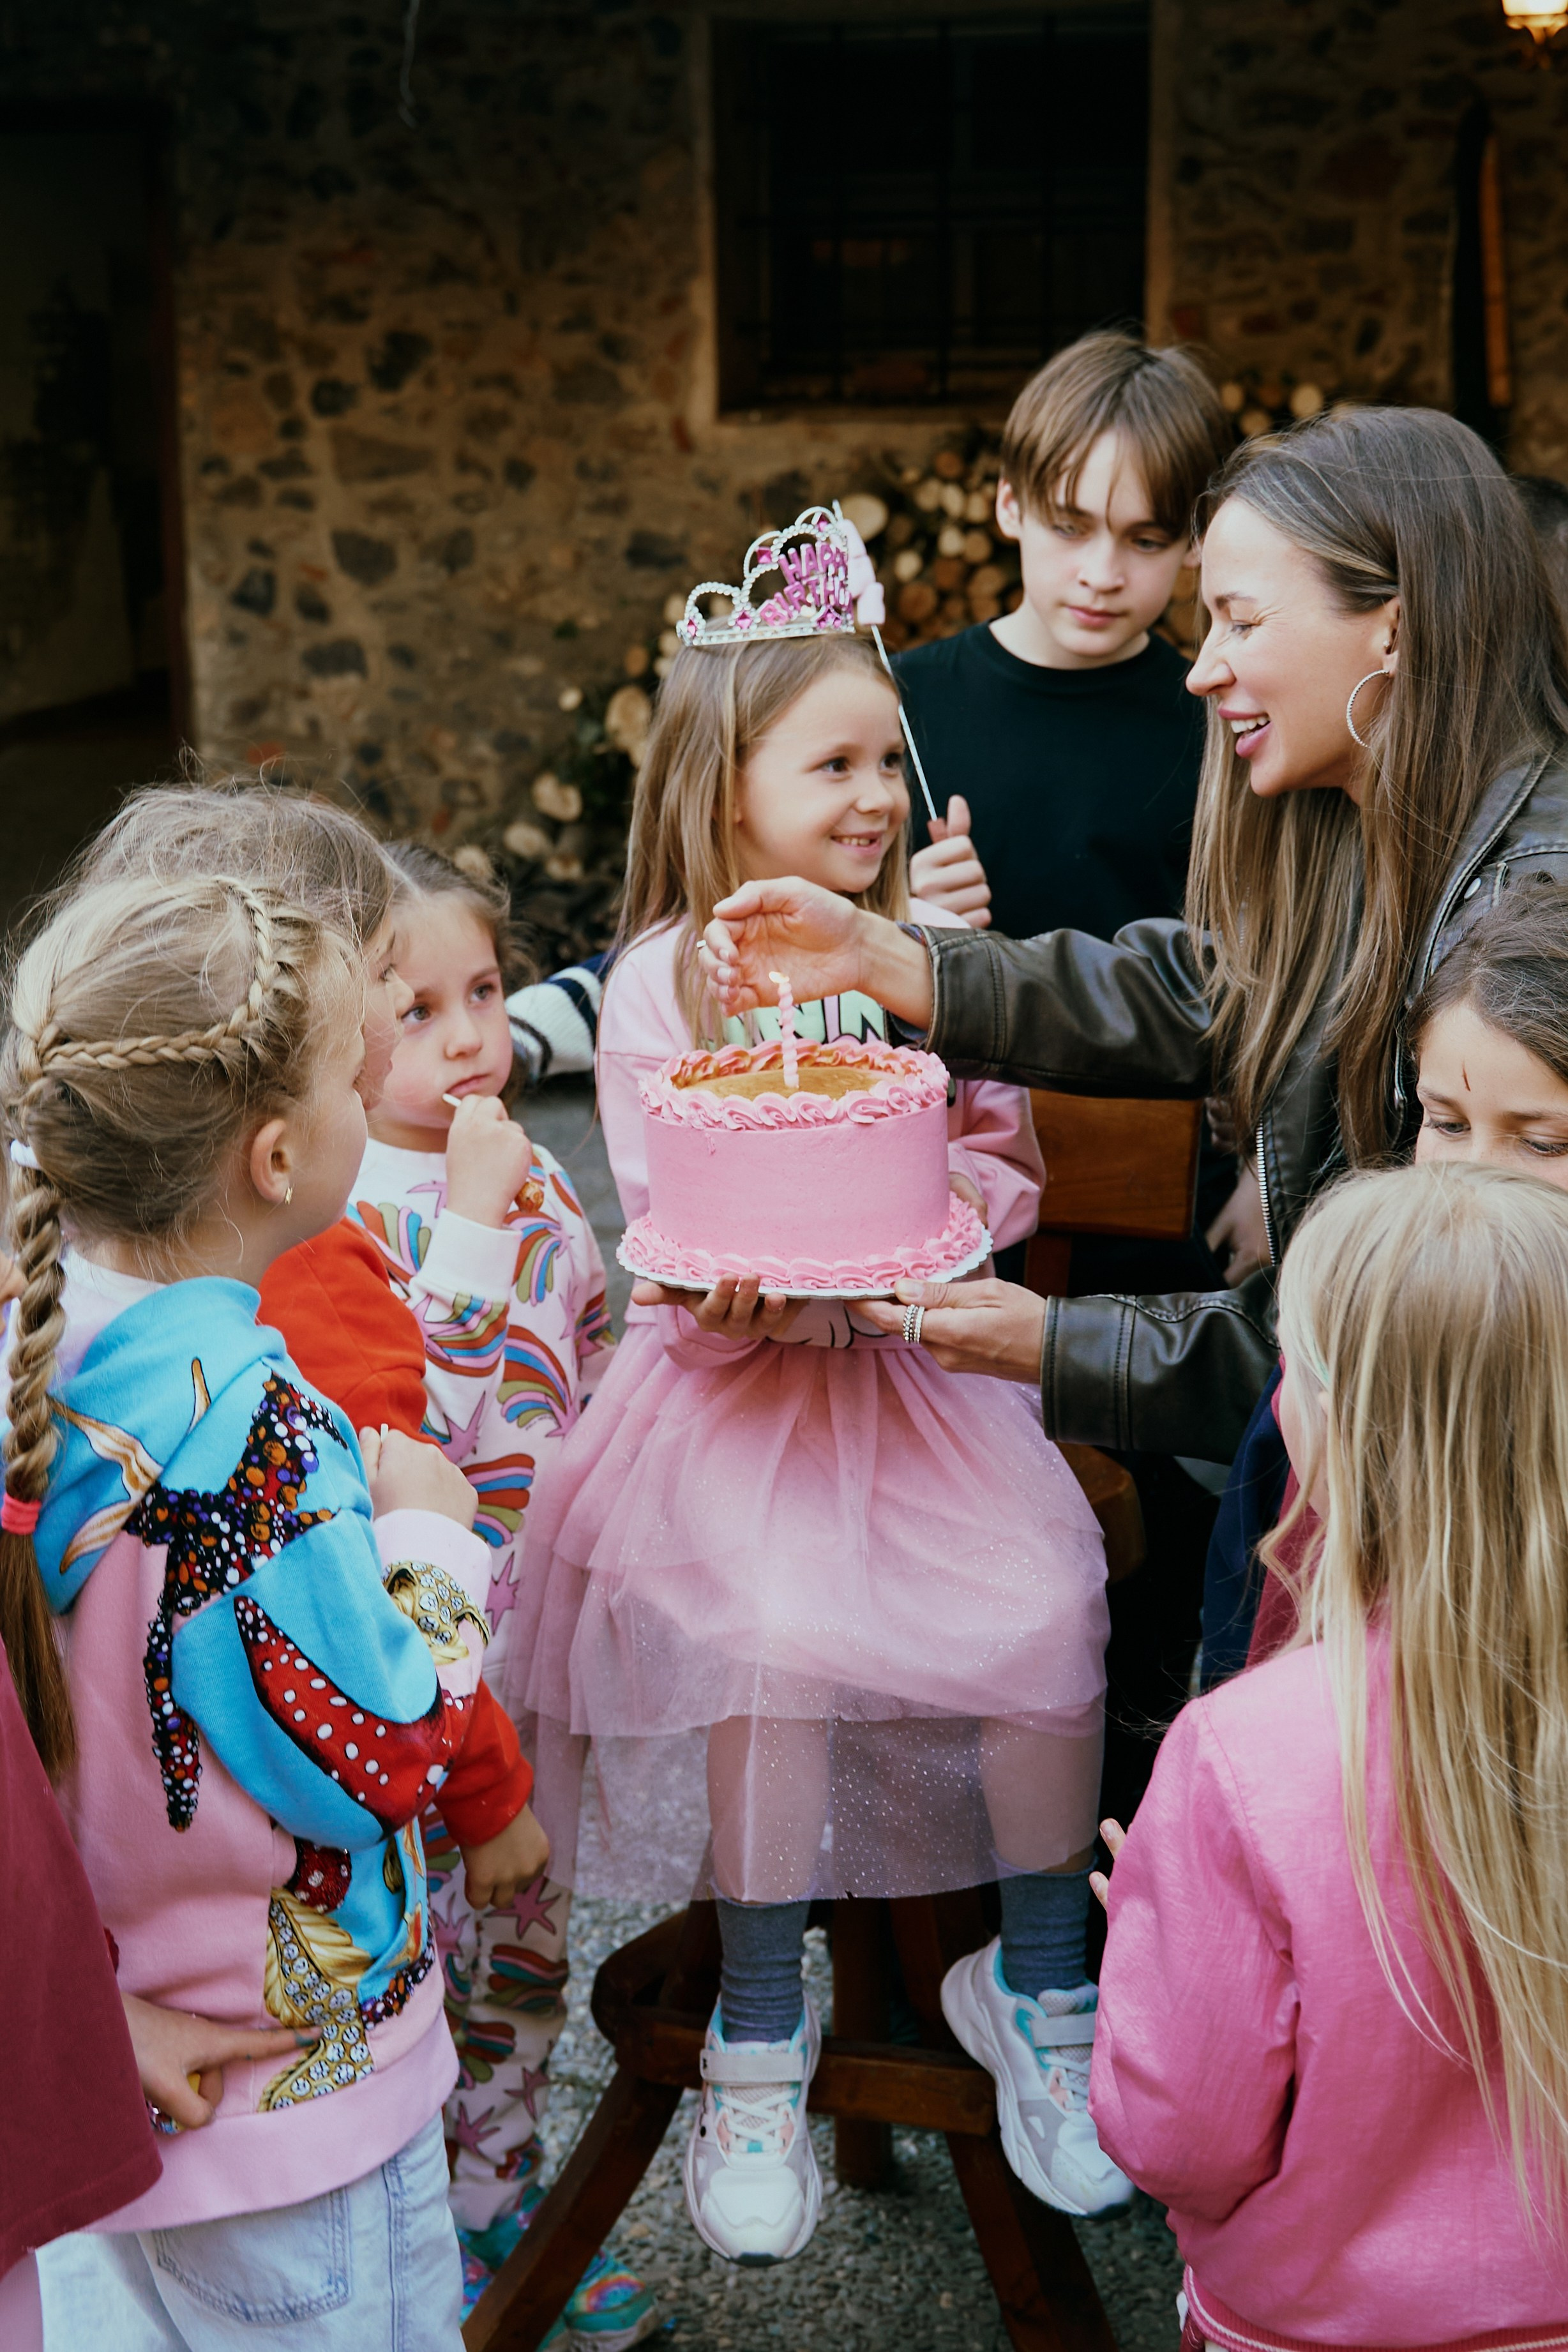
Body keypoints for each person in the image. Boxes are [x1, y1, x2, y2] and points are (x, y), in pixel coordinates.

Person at [522, 539, 1126, 2257]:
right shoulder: (664, 985)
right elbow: (667, 1198)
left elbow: (998, 1154)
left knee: (1048, 1591)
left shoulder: (934, 959)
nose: (876, 795)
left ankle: (1043, 1988)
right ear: (732, 787)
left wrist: (958, 1209)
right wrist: (730, 1283)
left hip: (920, 1378)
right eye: (834, 763)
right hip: (724, 1391)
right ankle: (759, 2030)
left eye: (887, 758)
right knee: (766, 1632)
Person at [698, 405, 1568, 1468]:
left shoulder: (1532, 911)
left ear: (1392, 625)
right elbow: (1210, 990)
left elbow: (1415, 1356)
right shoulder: (1365, 823)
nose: (1201, 671)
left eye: (1242, 621)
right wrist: (886, 954)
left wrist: (1054, 1342)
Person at [3, 868, 545, 2349]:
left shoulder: (26, 1362)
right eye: (350, 1067)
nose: (381, 1081)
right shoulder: (260, 1437)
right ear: (278, 1153)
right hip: (297, 2092)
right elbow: (373, 1742)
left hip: (110, 2060)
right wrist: (435, 1542)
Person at [1089, 1163, 1568, 2352]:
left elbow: (1180, 2135)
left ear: (1333, 1422)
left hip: (1315, 2317)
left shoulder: (1242, 1754)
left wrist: (1157, 1938)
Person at [351, 843, 652, 2339]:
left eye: (480, 992)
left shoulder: (521, 1171)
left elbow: (578, 1364)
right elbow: (419, 1437)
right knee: (427, 1950)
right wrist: (469, 1225)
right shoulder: (340, 1215)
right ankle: (424, 2225)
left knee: (530, 1922)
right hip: (423, 1659)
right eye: (415, 1012)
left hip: (544, 1635)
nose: (469, 1036)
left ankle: (508, 2196)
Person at [1208, 879, 1568, 1680]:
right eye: (1446, 1125)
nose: (1472, 1176)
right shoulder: (1346, 1358)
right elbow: (1257, 1630)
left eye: (1542, 1144)